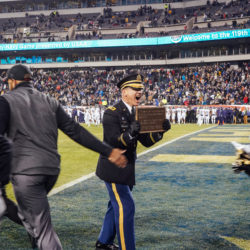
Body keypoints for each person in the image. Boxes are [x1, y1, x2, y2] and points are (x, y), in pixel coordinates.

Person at [0, 64, 127, 250]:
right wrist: (108, 151)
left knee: (43, 229)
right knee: (33, 217)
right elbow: (75, 130)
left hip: (26, 172)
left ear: (12, 82)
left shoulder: (6, 100)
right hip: (51, 170)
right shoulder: (49, 100)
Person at [95, 73, 171, 250]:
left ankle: (104, 242)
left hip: (128, 168)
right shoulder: (110, 113)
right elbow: (112, 141)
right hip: (113, 169)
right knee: (126, 207)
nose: (140, 92)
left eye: (141, 90)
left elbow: (146, 141)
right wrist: (130, 133)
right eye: (135, 89)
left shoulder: (137, 113)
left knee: (115, 206)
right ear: (124, 92)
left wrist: (160, 132)